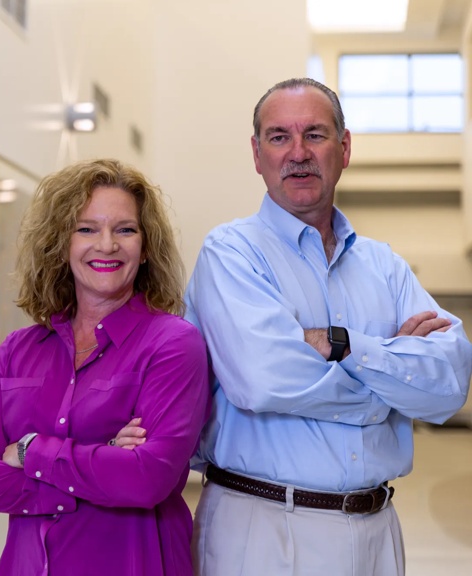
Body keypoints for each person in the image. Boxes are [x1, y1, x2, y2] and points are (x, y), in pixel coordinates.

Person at [181, 78, 472, 575]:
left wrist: (338, 344)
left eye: (315, 134)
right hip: (264, 529)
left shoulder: (386, 266)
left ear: (345, 147)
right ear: (256, 153)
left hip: (378, 529)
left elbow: (449, 385)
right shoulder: (231, 254)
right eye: (279, 137)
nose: (298, 153)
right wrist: (392, 377)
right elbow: (263, 378)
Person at [0, 158, 210, 575]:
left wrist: (28, 449)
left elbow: (148, 478)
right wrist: (104, 457)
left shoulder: (173, 344)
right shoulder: (17, 350)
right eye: (87, 229)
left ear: (145, 249)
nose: (107, 245)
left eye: (125, 230)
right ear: (62, 244)